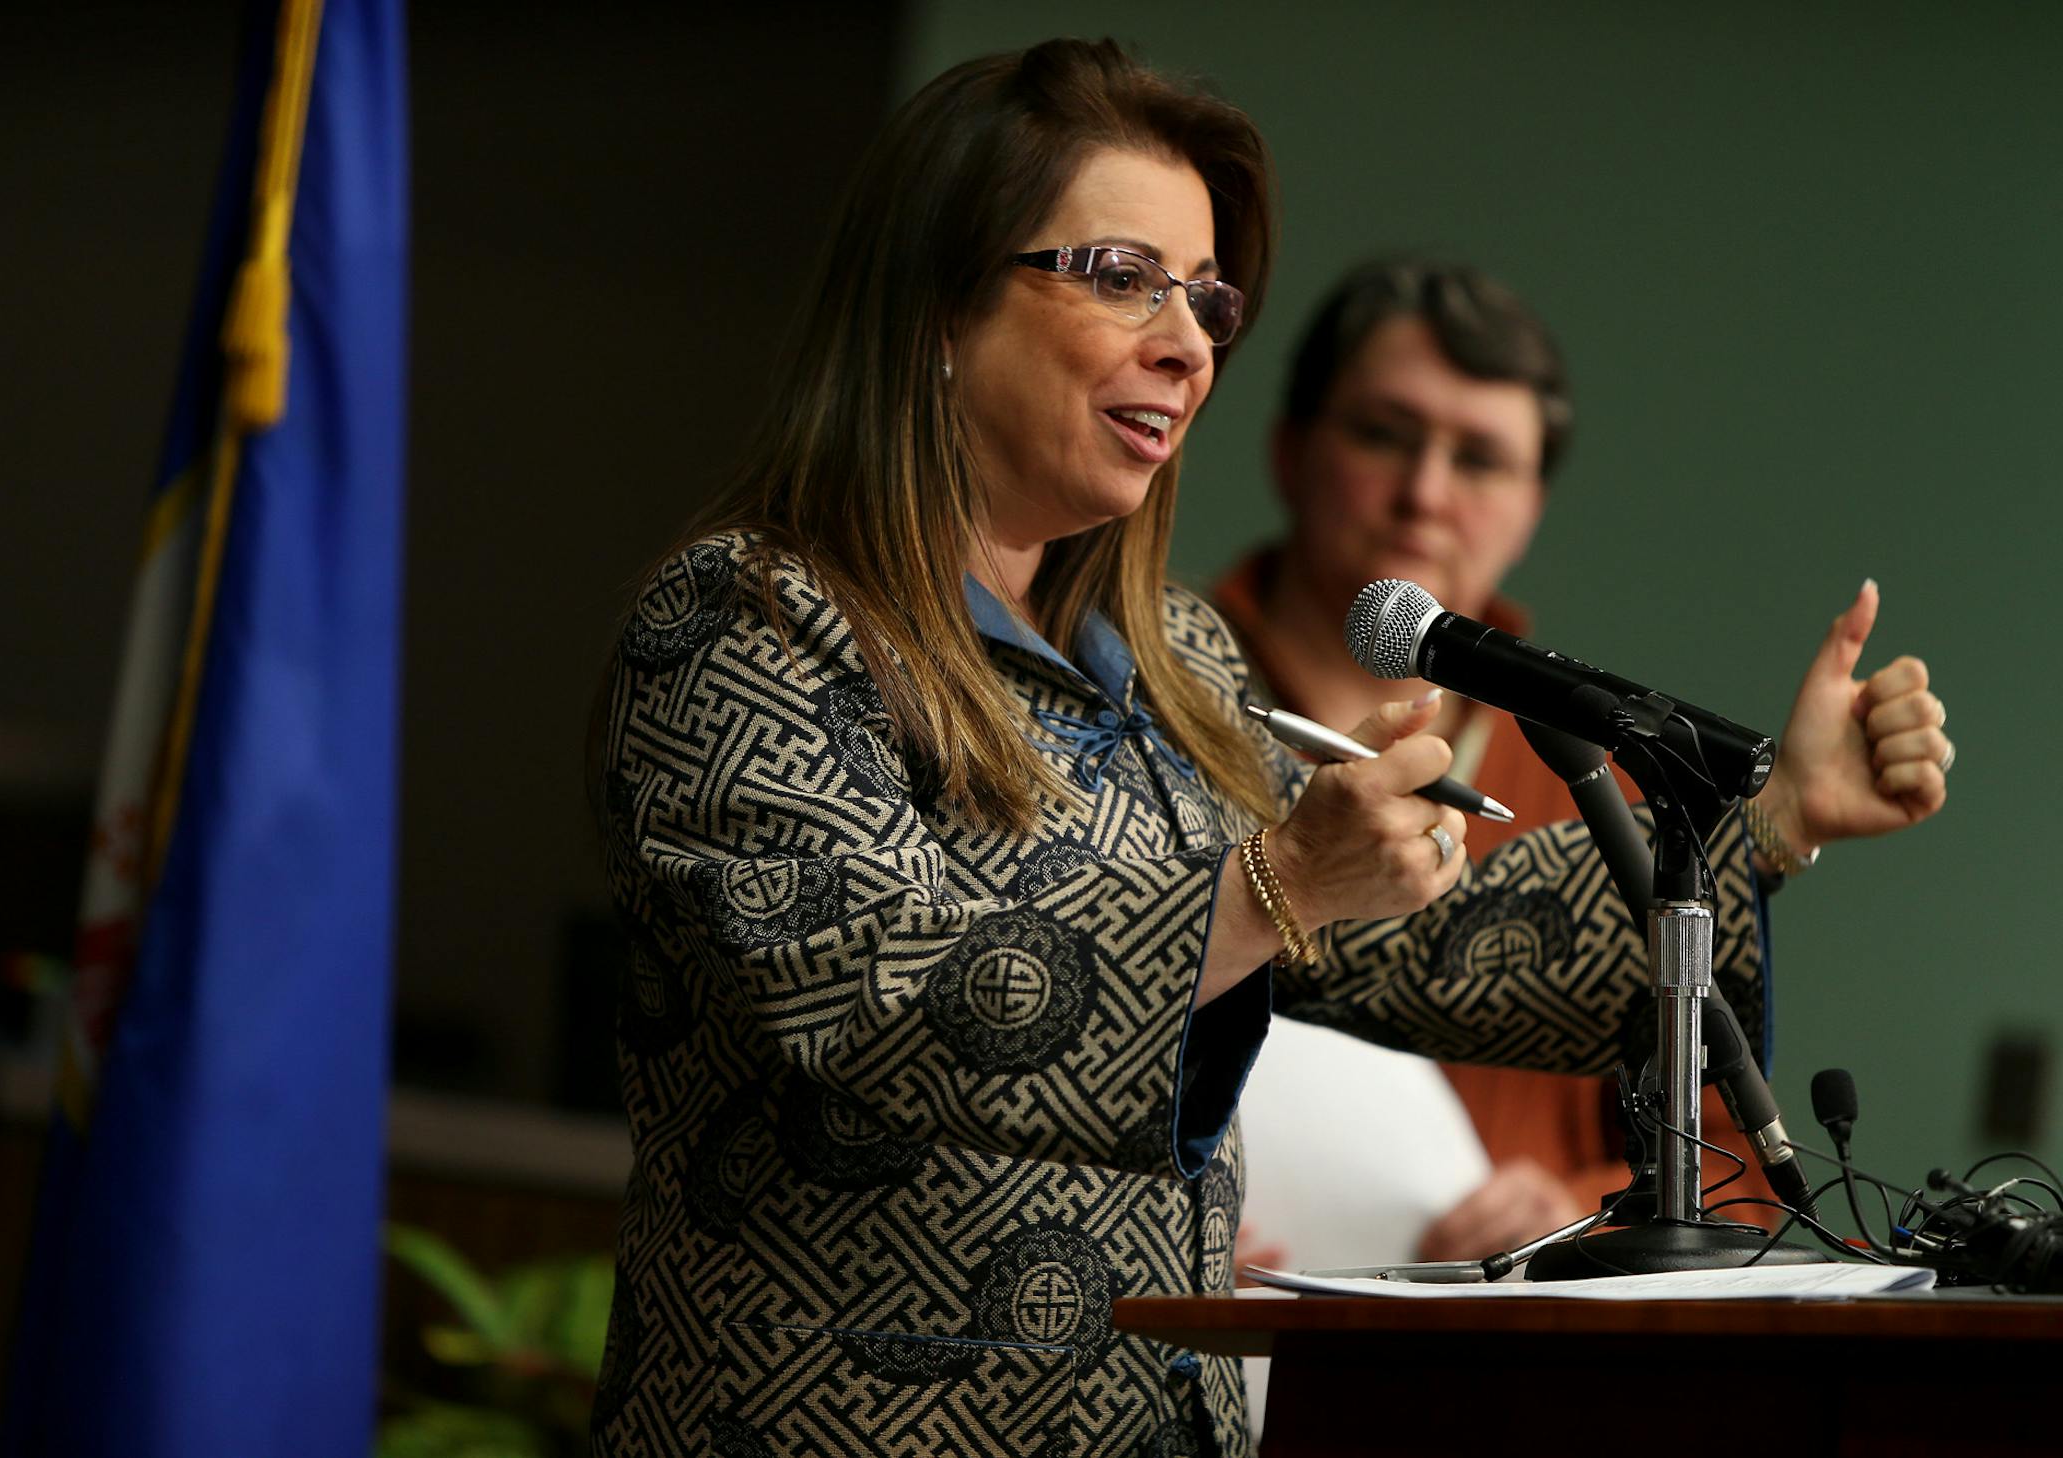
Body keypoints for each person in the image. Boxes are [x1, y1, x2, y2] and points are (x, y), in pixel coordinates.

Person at [588, 43, 1948, 1458]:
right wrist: (1269, 885)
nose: (1188, 344)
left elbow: (1421, 937)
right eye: (1122, 275)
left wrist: (1776, 818)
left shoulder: (1173, 656)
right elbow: (866, 992)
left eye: (1207, 297)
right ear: (936, 299)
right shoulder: (751, 620)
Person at [1218, 259, 1953, 1276]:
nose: (1425, 493)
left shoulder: (1590, 768)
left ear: (1531, 508)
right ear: (1290, 450)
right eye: (1384, 434)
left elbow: (1733, 1173)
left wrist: (1578, 1209)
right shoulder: (1160, 699)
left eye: (1480, 459)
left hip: (1513, 1336)